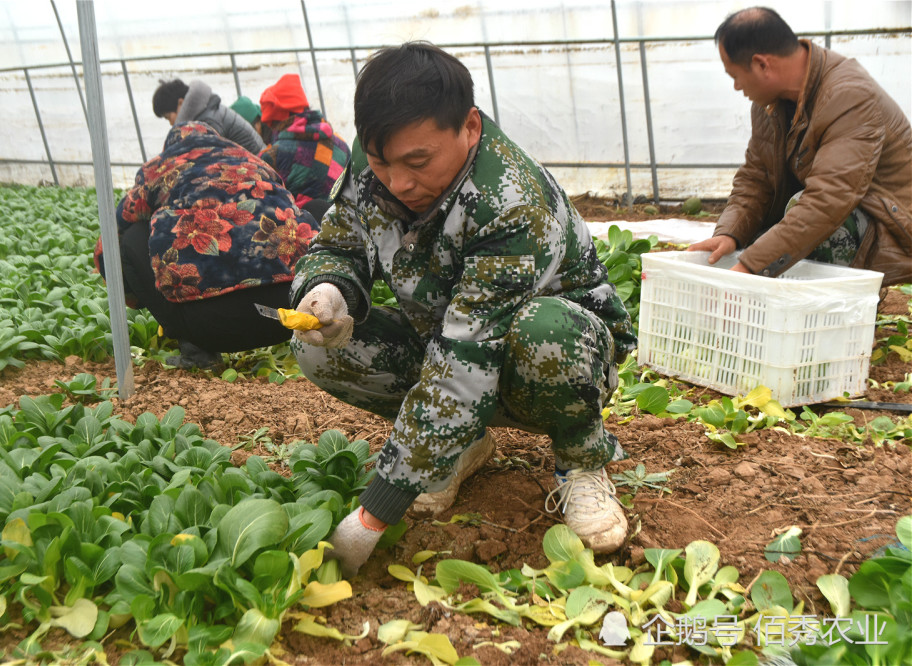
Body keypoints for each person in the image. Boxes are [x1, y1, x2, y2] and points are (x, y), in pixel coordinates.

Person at [288, 42, 638, 577]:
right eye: (382, 162)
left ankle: (581, 460)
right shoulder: (372, 163)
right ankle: (464, 445)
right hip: (446, 342)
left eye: (417, 162)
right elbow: (338, 243)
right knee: (318, 350)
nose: (398, 183)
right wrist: (330, 290)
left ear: (470, 127)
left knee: (547, 333)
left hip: (546, 356)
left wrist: (373, 516)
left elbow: (463, 365)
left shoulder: (511, 201)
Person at [689, 6, 911, 286]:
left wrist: (750, 266)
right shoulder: (768, 104)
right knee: (755, 242)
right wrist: (729, 233)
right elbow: (757, 176)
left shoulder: (848, 96)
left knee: (780, 237)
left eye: (735, 76)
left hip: (891, 228)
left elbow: (828, 201)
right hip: (840, 213)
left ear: (761, 64)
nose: (735, 87)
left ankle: (847, 304)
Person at [94, 121, 319, 370]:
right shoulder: (254, 160)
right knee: (306, 214)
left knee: (130, 237)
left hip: (212, 327)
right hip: (293, 314)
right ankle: (321, 339)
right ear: (217, 139)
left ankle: (196, 353)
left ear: (171, 145)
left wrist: (136, 295)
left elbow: (112, 230)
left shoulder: (160, 167)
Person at [257, 73, 351, 214]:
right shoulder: (341, 144)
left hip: (305, 231)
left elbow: (264, 207)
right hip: (348, 226)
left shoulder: (272, 156)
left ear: (276, 122)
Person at [152, 79, 266, 156]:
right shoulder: (206, 109)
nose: (171, 124)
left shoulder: (207, 121)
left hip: (260, 170)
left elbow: (212, 159)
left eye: (168, 118)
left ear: (181, 103)